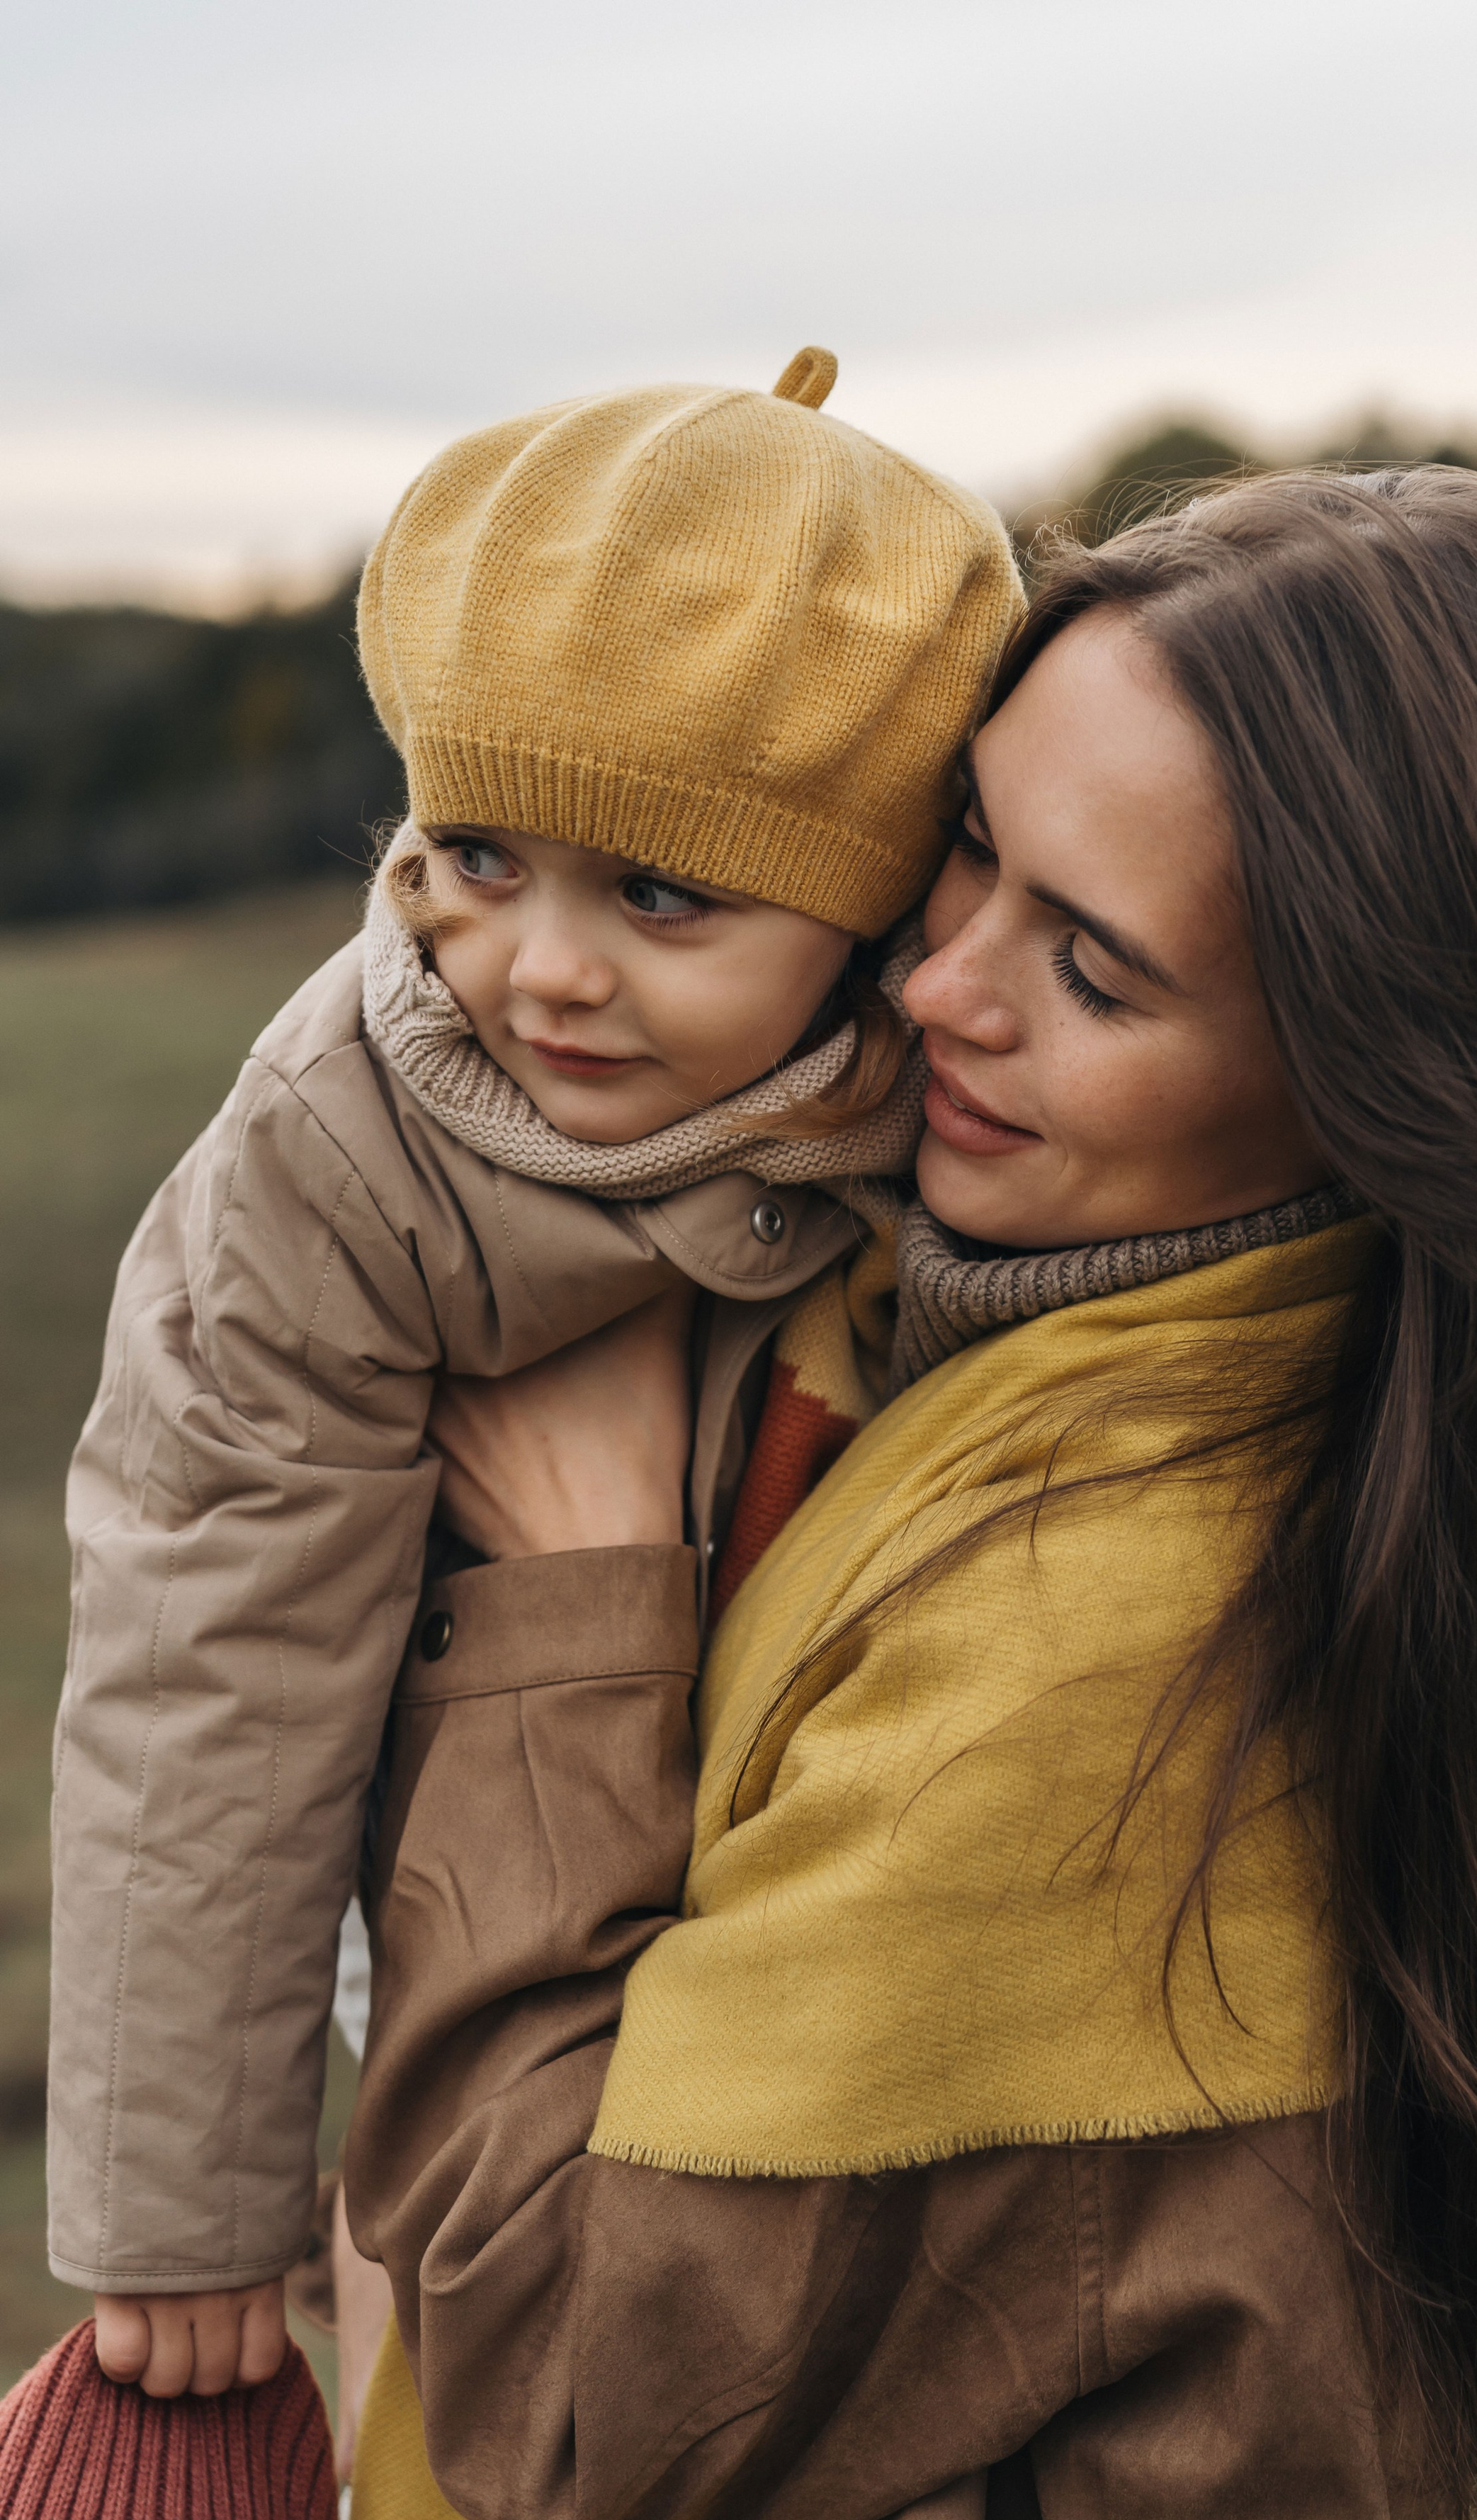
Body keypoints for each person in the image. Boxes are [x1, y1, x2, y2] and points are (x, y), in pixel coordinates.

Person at [341, 463, 1477, 2520]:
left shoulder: (1108, 1656)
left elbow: (570, 2373)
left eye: (1092, 966)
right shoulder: (1088, 1381)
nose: (935, 984)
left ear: (1378, 1091)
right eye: (971, 847)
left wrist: (574, 1606)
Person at [45, 345, 1021, 2399]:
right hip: (449, 1864)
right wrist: (183, 2214)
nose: (544, 969)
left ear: (862, 908)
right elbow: (205, 1645)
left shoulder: (974, 1087)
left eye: (658, 894)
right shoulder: (338, 1156)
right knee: (452, 2354)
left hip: (824, 1868)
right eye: (476, 854)